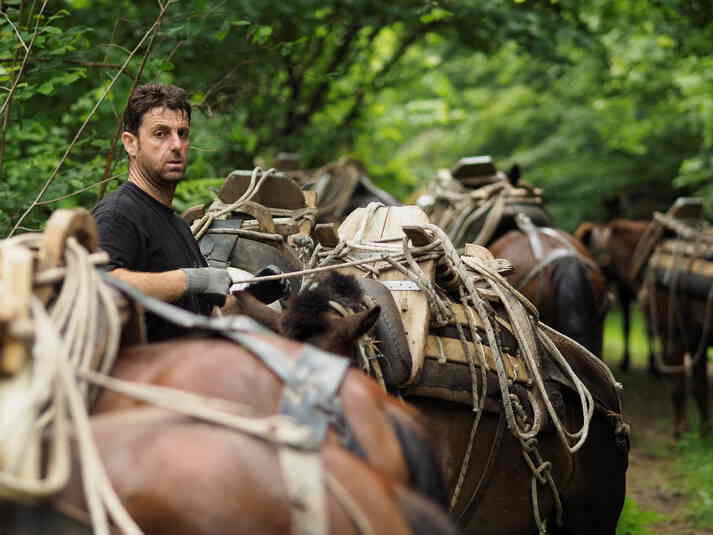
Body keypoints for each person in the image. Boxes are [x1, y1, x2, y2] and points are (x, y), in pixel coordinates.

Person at [92, 83, 240, 342]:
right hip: (143, 379)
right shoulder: (118, 214)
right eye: (161, 134)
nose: (176, 145)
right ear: (131, 143)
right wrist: (187, 280)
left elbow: (204, 311)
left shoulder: (177, 224)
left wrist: (258, 298)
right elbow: (99, 287)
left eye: (182, 134)